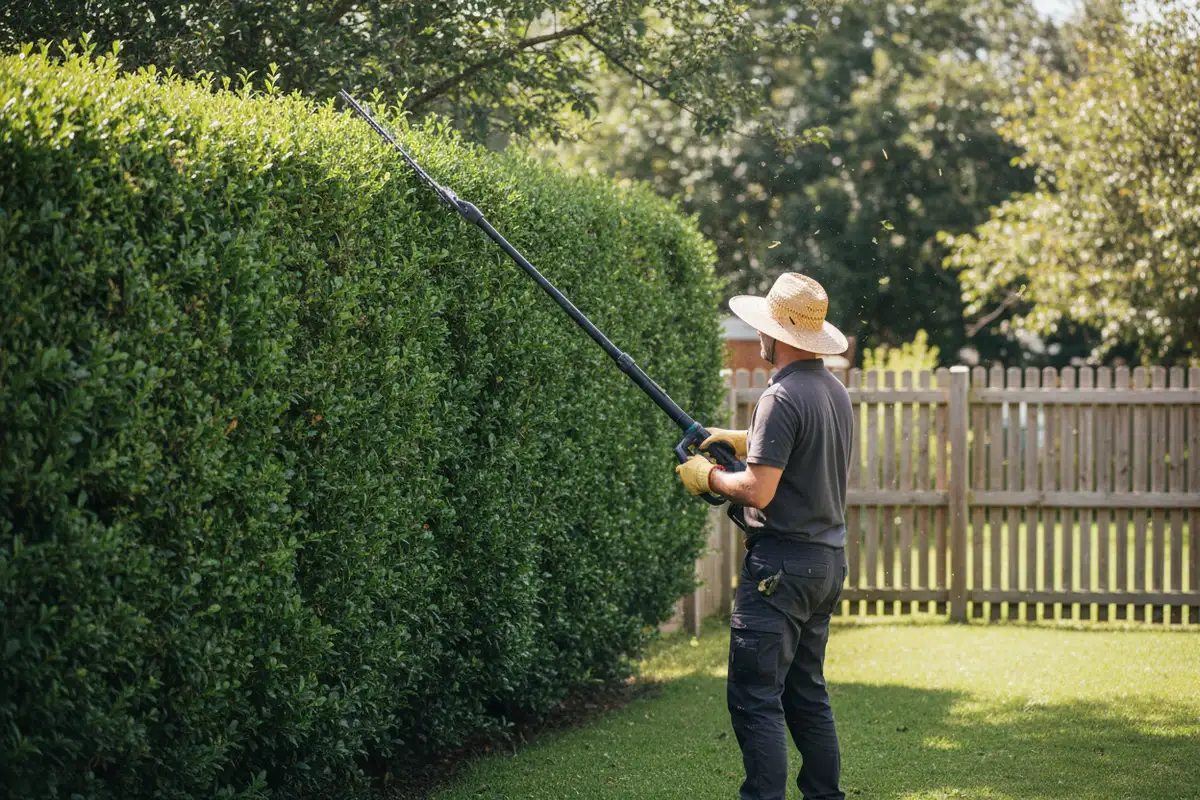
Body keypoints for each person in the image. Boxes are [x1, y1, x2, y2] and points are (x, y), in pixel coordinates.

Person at [675, 272, 853, 800]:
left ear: (778, 335)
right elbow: (791, 451)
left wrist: (706, 476)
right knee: (806, 695)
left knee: (755, 695)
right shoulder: (833, 391)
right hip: (825, 563)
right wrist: (735, 438)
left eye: (765, 328)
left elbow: (757, 490)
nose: (760, 336)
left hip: (779, 569)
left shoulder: (781, 395)